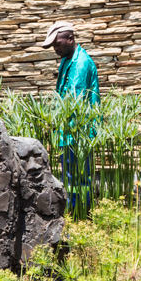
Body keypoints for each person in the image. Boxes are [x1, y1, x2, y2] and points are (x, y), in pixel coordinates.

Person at [42, 21, 99, 212]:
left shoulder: (81, 63)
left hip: (79, 132)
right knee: (69, 177)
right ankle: (74, 214)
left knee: (79, 178)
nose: (55, 49)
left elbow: (73, 101)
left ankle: (81, 215)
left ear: (70, 39)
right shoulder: (67, 60)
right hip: (67, 132)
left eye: (57, 44)